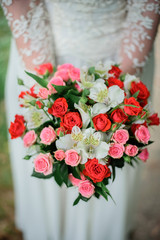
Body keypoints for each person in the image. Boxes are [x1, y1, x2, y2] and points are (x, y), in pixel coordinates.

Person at [1, 0, 160, 240]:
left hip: (126, 58)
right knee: (46, 163)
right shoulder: (43, 76)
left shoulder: (125, 78)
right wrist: (49, 94)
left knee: (113, 166)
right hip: (40, 53)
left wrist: (124, 78)